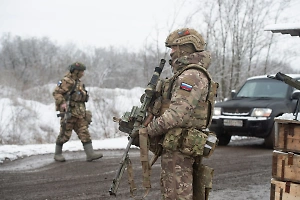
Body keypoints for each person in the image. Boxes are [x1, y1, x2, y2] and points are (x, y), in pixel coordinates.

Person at [143, 28, 218, 200]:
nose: (171, 52)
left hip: (179, 150)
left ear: (186, 48)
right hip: (178, 147)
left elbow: (176, 115)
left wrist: (148, 131)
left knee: (176, 195)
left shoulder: (191, 76)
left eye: (174, 48)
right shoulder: (186, 74)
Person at [52, 62, 103, 162]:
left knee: (84, 133)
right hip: (69, 114)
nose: (83, 73)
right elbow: (56, 93)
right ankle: (57, 154)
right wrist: (62, 103)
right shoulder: (67, 81)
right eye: (81, 71)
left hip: (79, 113)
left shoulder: (78, 82)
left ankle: (90, 154)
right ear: (76, 71)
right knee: (64, 135)